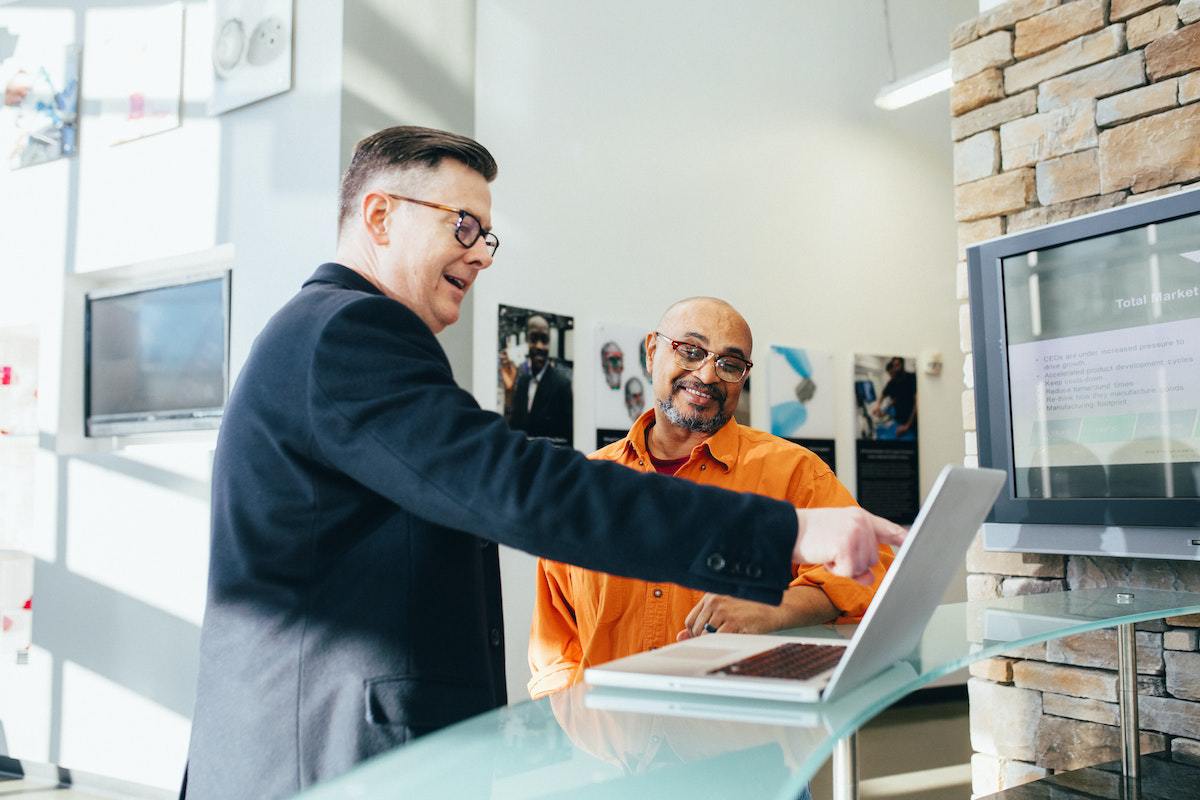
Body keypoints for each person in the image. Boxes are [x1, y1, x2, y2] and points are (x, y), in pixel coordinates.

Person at [182, 126, 905, 799]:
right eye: (461, 225)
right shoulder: (349, 332)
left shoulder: (324, 334)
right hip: (325, 757)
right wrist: (783, 534)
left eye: (486, 236)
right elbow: (520, 488)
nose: (478, 253)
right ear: (379, 217)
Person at [528, 298, 894, 698]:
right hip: (612, 747)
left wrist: (775, 607)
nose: (706, 374)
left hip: (741, 741)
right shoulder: (588, 486)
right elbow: (555, 645)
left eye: (730, 364)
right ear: (652, 351)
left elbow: (874, 571)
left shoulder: (794, 472)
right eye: (691, 350)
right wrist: (579, 732)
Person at [505, 314, 573, 445]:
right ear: (526, 340)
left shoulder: (562, 385)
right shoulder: (522, 381)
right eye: (534, 338)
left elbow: (567, 439)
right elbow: (513, 429)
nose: (539, 346)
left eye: (544, 340)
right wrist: (509, 393)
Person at [873, 356, 917, 439]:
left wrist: (907, 426)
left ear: (902, 365)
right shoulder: (892, 382)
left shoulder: (911, 378)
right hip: (899, 421)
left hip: (912, 422)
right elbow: (884, 395)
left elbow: (916, 403)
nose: (895, 368)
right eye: (894, 366)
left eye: (897, 365)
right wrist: (878, 406)